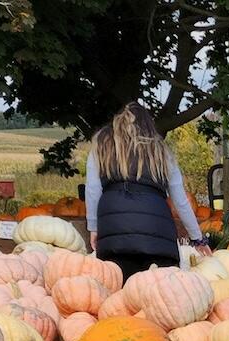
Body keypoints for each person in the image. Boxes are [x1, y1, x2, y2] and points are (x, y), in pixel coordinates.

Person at [86, 103, 207, 277]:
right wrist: (198, 238)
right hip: (158, 235)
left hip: (115, 235)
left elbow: (92, 190)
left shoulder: (101, 145)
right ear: (149, 125)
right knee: (160, 295)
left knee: (119, 295)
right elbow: (181, 202)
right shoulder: (161, 150)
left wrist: (94, 228)